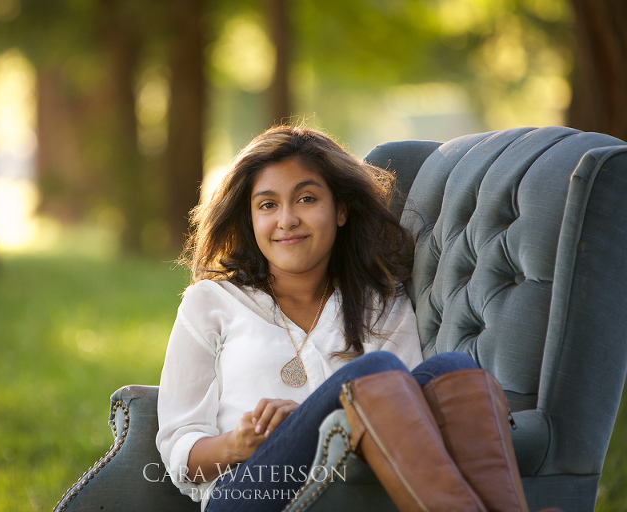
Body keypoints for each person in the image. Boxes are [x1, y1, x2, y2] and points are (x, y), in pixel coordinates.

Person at [156, 125, 528, 512]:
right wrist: (239, 443)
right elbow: (178, 448)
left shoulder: (378, 300)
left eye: (306, 199)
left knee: (451, 369)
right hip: (251, 493)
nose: (286, 219)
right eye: (267, 205)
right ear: (250, 218)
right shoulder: (211, 303)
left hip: (360, 493)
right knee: (377, 369)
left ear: (341, 210)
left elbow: (416, 417)